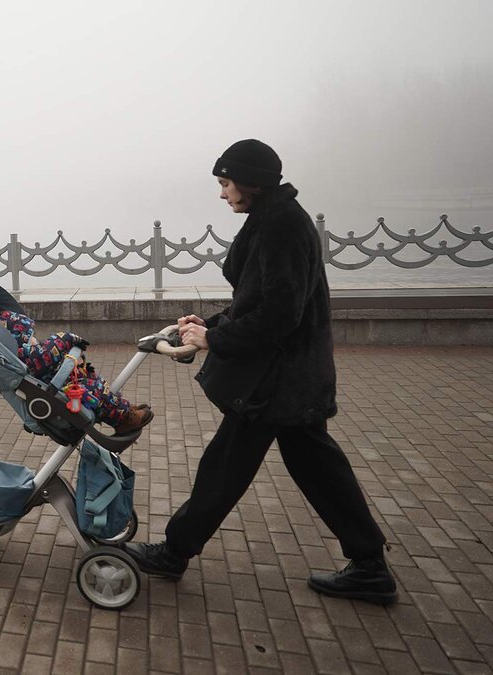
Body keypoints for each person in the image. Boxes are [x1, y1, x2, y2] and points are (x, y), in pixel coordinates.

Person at [124, 139, 397, 605]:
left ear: (249, 182)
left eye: (225, 183)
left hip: (278, 380)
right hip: (289, 377)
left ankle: (174, 552)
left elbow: (279, 313)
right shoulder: (274, 218)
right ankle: (369, 564)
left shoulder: (281, 226)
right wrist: (207, 325)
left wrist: (215, 339)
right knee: (316, 468)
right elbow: (260, 300)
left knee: (227, 467)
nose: (222, 193)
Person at [0, 308, 154, 435]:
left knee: (98, 384)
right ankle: (123, 419)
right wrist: (66, 338)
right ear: (19, 337)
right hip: (62, 392)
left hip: (67, 381)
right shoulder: (26, 355)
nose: (34, 339)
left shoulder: (27, 352)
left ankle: (123, 407)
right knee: (96, 390)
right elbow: (46, 355)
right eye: (29, 335)